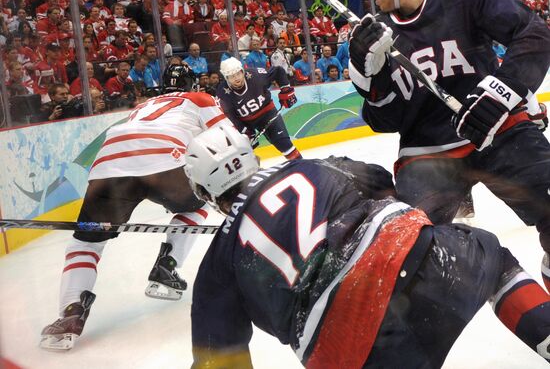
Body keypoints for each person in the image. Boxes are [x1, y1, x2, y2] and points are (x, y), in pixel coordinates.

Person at [184, 125, 550, 368]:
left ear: (203, 194)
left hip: (346, 353)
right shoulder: (316, 167)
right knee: (495, 263)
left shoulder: (219, 262)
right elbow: (380, 181)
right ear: (254, 158)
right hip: (416, 263)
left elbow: (219, 359)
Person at [349, 0, 550, 287]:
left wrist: (501, 92)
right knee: (410, 258)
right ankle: (509, 290)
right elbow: (383, 120)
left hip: (496, 130)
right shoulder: (372, 37)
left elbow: (534, 34)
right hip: (426, 154)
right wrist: (372, 73)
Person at [40, 64, 234, 351]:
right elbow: (227, 139)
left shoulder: (142, 106)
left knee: (86, 242)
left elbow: (136, 141)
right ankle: (167, 266)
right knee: (197, 204)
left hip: (110, 161)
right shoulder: (199, 99)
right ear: (192, 84)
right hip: (165, 160)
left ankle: (70, 314)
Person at [216, 57, 301, 160]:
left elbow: (278, 71)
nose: (237, 78)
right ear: (226, 78)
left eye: (238, 74)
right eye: (232, 76)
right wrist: (244, 131)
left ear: (243, 71)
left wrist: (286, 90)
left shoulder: (256, 75)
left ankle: (303, 168)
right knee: (243, 156)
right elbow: (230, 116)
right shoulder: (222, 93)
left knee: (284, 144)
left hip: (267, 113)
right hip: (245, 122)